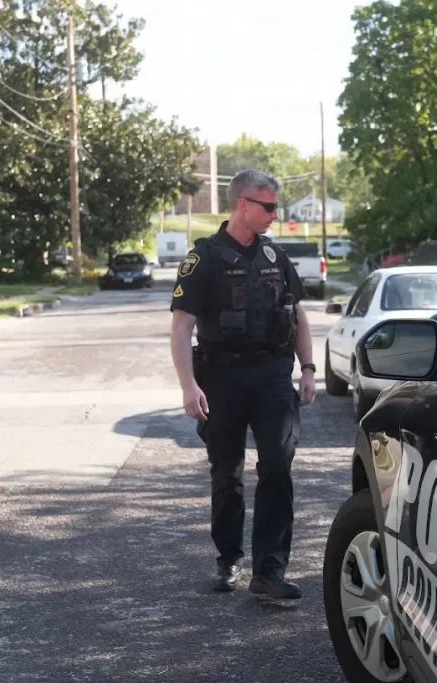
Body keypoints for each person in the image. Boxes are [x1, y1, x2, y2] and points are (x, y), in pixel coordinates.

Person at [169, 169, 317, 600]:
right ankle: (228, 557)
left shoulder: (276, 258)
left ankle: (269, 570)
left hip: (273, 375)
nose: (275, 214)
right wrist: (188, 386)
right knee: (227, 471)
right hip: (221, 378)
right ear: (242, 205)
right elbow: (181, 329)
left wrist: (307, 368)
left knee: (278, 465)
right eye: (268, 206)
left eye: (276, 206)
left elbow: (300, 315)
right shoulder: (204, 259)